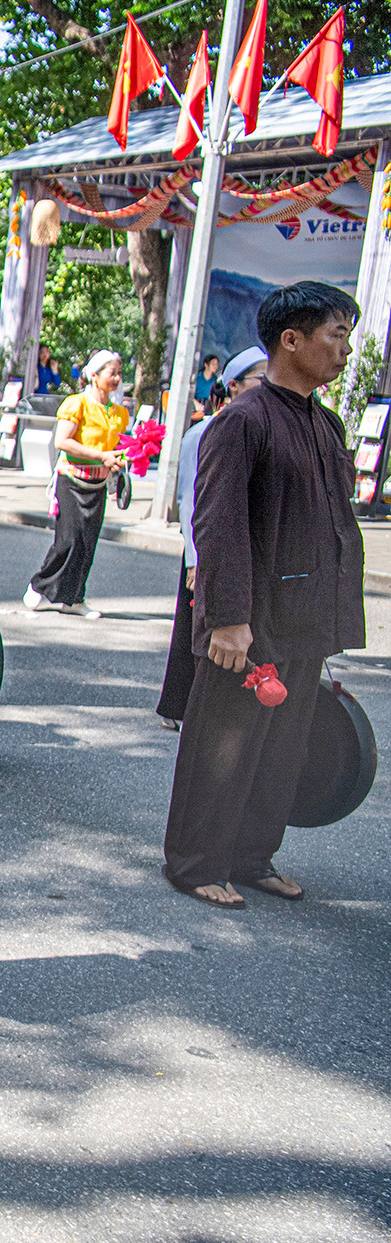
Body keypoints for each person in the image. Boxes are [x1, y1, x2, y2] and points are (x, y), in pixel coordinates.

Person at [164, 283, 364, 909]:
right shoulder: (242, 422)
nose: (344, 351)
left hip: (306, 617)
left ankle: (252, 856)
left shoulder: (324, 422)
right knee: (223, 746)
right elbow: (216, 524)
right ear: (291, 339)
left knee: (281, 749)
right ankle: (195, 862)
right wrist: (226, 619)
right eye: (335, 336)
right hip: (248, 622)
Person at [157, 345, 267, 731]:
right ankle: (180, 706)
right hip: (203, 552)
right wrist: (193, 557)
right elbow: (191, 500)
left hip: (240, 552)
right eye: (260, 380)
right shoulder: (203, 433)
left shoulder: (260, 429)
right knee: (195, 631)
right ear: (234, 386)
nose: (267, 387)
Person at [24, 350, 126, 619]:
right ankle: (39, 586)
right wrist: (100, 456)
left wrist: (122, 459)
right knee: (68, 540)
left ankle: (74, 598)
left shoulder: (119, 413)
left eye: (118, 373)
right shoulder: (76, 404)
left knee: (87, 544)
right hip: (71, 480)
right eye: (110, 372)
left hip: (98, 484)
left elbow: (118, 446)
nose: (116, 378)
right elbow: (63, 442)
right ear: (93, 376)